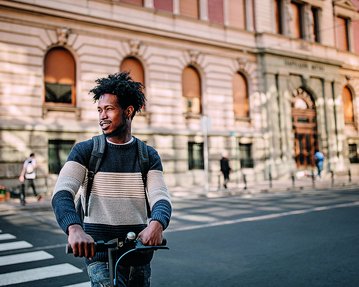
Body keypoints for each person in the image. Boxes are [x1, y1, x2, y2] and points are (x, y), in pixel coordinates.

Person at [51, 72, 172, 287]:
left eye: (109, 109)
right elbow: (62, 193)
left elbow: (160, 196)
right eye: (99, 109)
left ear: (128, 111)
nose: (102, 116)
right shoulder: (85, 151)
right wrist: (74, 228)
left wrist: (157, 223)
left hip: (138, 252)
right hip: (98, 254)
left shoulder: (148, 155)